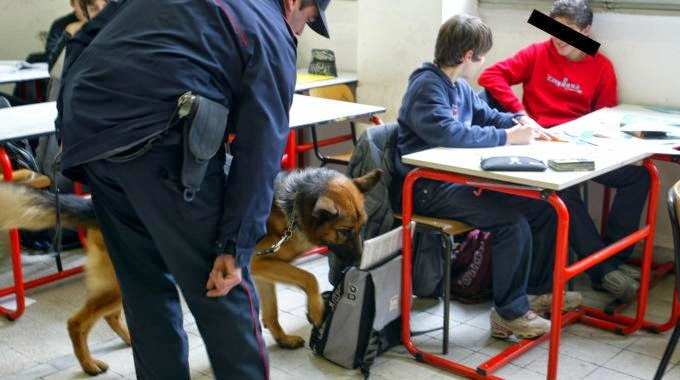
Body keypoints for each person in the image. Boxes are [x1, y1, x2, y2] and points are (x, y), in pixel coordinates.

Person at [56, 0, 332, 378]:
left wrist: (65, 124)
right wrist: (236, 247)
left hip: (93, 138)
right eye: (307, 20)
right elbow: (261, 147)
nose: (299, 31)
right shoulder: (271, 31)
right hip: (163, 144)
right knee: (223, 290)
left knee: (145, 291)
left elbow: (82, 38)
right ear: (295, 2)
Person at [392, 14, 582, 339]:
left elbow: (489, 116)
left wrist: (523, 122)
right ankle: (508, 313)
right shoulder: (426, 86)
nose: (482, 63)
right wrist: (509, 138)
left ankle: (533, 293)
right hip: (426, 187)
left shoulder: (459, 87)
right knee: (512, 222)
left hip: (455, 180)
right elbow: (450, 133)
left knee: (543, 208)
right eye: (481, 56)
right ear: (468, 56)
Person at [478, 0, 648, 303]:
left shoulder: (601, 66)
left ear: (586, 32)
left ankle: (611, 262)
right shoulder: (537, 53)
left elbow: (606, 116)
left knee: (640, 178)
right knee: (563, 190)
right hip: (540, 148)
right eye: (553, 29)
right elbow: (490, 77)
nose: (557, 39)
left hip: (581, 148)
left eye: (566, 32)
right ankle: (603, 271)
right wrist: (521, 114)